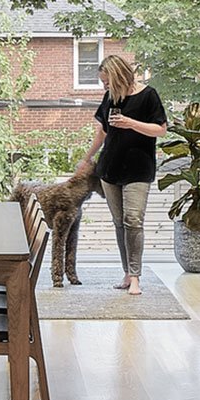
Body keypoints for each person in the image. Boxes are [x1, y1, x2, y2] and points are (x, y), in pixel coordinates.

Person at [77, 52, 167, 297]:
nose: (104, 86)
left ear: (118, 76)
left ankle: (136, 276)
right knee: (120, 224)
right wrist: (86, 158)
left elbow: (160, 130)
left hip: (139, 169)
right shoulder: (110, 98)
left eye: (107, 81)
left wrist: (131, 123)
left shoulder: (148, 96)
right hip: (110, 169)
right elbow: (102, 133)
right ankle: (127, 273)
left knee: (134, 220)